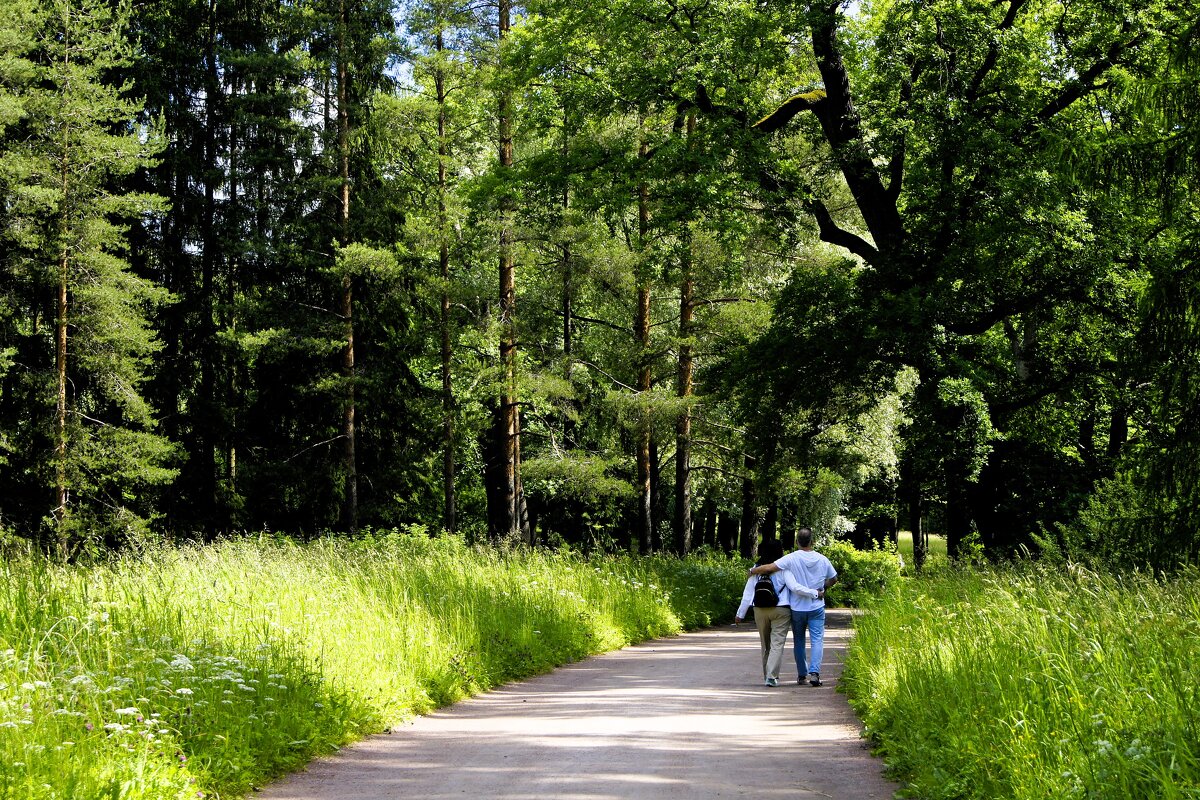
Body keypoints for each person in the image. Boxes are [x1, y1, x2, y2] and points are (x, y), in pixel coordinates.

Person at [749, 528, 838, 687]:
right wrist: (823, 588)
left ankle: (802, 675)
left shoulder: (790, 558)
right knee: (817, 640)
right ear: (812, 541)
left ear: (797, 541)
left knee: (799, 640)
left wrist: (753, 571)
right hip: (817, 607)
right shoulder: (823, 559)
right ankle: (815, 673)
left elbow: (769, 568)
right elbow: (834, 578)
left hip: (797, 608)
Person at [734, 539, 816, 687]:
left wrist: (740, 614)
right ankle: (772, 676)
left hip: (759, 609)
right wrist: (814, 593)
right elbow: (795, 587)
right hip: (781, 610)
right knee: (777, 644)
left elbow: (748, 594)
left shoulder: (756, 568)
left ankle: (767, 675)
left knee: (765, 645)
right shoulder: (784, 568)